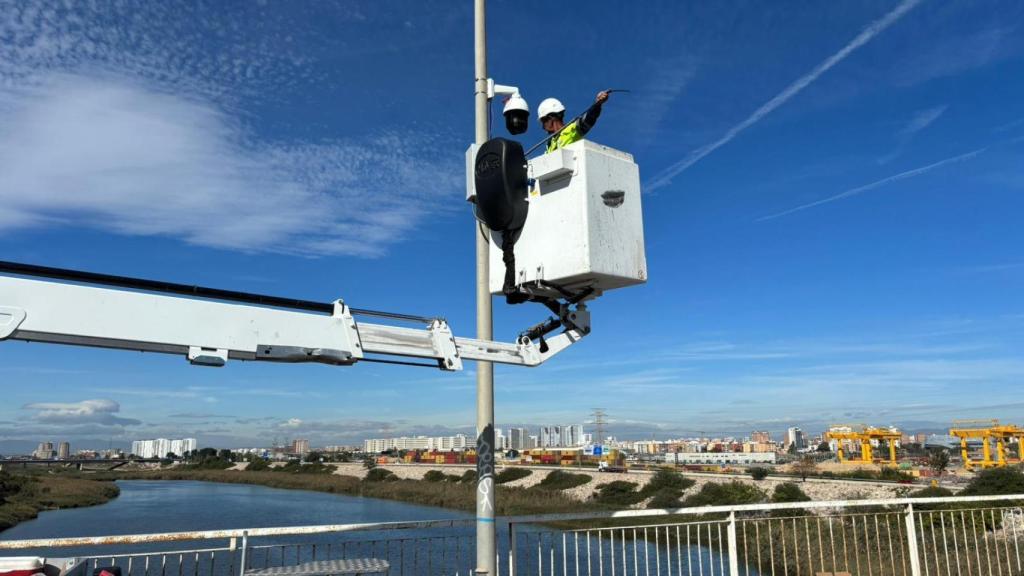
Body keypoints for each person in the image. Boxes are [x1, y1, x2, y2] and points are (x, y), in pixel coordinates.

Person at [538, 90, 610, 153]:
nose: (543, 127)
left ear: (550, 118)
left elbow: (589, 118)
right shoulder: (550, 145)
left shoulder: (572, 130)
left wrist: (597, 104)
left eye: (543, 122)